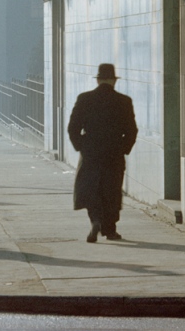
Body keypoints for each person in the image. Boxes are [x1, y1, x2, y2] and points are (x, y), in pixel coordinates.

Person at [67, 63, 138, 243]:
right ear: (113, 81)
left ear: (98, 80)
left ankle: (95, 220)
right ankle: (110, 229)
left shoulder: (84, 99)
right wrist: (123, 148)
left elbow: (73, 127)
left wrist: (81, 145)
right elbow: (132, 130)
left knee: (91, 188)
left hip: (91, 151)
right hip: (114, 152)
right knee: (112, 189)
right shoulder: (124, 101)